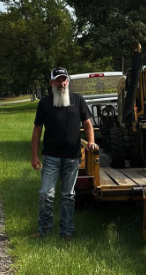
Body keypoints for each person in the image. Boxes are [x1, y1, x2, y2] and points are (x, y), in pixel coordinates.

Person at [31, 67, 98, 240]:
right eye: (58, 80)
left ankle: (66, 232)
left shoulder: (77, 100)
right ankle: (43, 230)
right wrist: (34, 155)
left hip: (72, 157)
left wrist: (90, 141)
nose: (62, 83)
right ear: (51, 82)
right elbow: (37, 130)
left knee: (68, 195)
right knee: (46, 194)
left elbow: (88, 123)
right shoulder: (44, 103)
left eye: (64, 80)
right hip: (51, 157)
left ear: (68, 81)